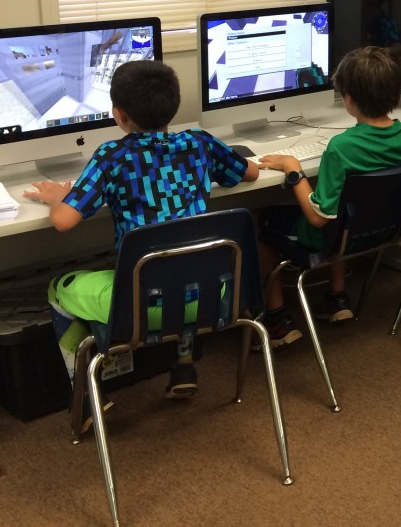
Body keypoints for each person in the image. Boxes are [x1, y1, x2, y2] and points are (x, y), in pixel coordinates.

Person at [25, 60, 260, 402]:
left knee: (57, 287)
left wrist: (61, 197)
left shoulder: (112, 156)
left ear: (118, 114)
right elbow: (249, 173)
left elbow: (64, 221)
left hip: (139, 310)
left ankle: (85, 398)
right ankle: (183, 366)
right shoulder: (200, 143)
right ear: (174, 106)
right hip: (213, 298)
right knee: (184, 262)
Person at [253, 45, 401, 345]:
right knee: (345, 209)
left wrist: (293, 170)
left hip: (337, 236)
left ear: (348, 99)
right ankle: (336, 298)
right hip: (388, 230)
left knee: (259, 220)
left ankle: (278, 321)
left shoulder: (341, 148)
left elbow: (317, 217)